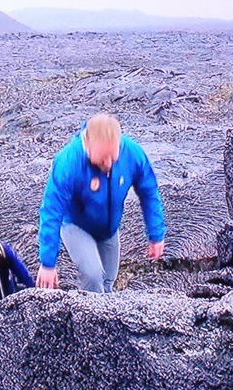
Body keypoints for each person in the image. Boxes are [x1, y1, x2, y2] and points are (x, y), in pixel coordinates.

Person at [36, 112, 165, 292]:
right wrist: (48, 263)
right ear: (87, 146)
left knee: (108, 281)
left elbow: (149, 192)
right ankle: (86, 317)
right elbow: (51, 210)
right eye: (103, 157)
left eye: (113, 156)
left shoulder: (132, 153)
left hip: (109, 228)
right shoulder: (68, 161)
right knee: (93, 276)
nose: (109, 163)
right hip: (76, 224)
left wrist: (155, 235)